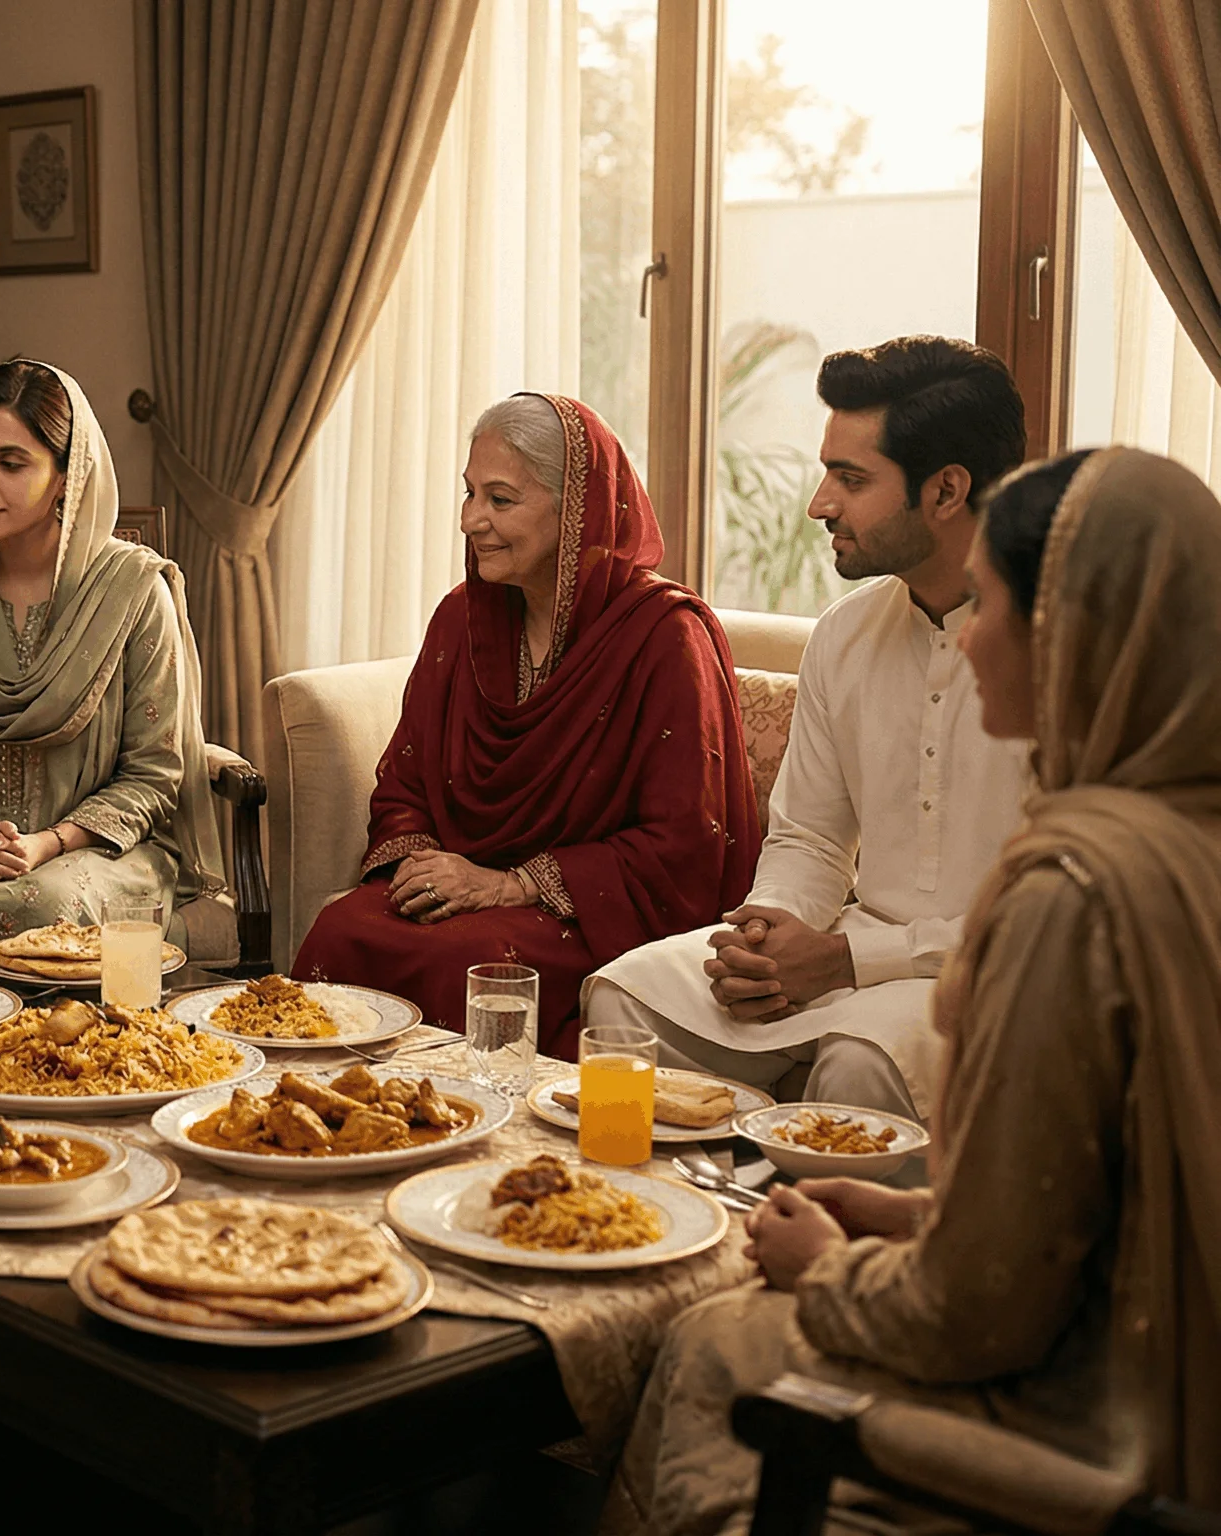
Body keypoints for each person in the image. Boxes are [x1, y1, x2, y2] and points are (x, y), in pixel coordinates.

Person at [609, 447, 1221, 1531]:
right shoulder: (1181, 841)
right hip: (1134, 1336)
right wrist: (912, 1211)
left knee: (712, 1337)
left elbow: (973, 1313)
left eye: (994, 605)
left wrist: (828, 1270)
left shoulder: (1073, 893)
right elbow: (1102, 1198)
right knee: (631, 994)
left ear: (1074, 637)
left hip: (1096, 1424)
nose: (969, 638)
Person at [585, 337, 1032, 1120]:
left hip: (992, 973)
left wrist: (848, 959)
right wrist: (770, 931)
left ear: (947, 490)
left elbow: (1053, 912)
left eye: (851, 480)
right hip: (846, 952)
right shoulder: (845, 633)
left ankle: (823, 1207)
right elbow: (812, 838)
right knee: (626, 997)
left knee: (860, 1063)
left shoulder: (1064, 648)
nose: (819, 504)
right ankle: (664, 1201)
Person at [290, 393, 758, 1059]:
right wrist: (426, 868)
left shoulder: (665, 636)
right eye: (469, 493)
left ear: (577, 510)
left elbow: (683, 842)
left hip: (593, 908)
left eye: (500, 500)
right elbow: (406, 782)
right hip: (466, 887)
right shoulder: (462, 619)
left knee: (475, 960)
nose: (470, 520)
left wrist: (511, 885)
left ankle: (466, 1118)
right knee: (342, 929)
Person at [0, 358, 221, 974]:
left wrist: (51, 842)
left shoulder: (134, 591)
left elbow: (154, 772)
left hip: (100, 851)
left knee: (54, 903)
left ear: (66, 477)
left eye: (10, 463)